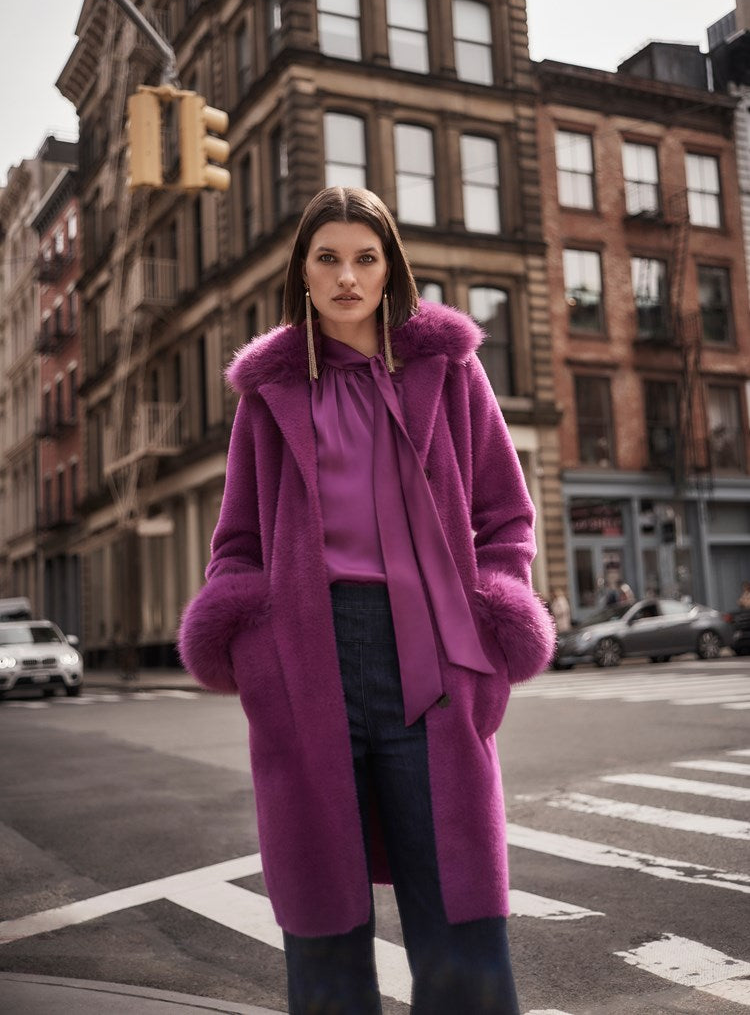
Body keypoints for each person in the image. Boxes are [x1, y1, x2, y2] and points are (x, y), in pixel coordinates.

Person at [178, 186, 555, 1014]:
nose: (347, 275)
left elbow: (506, 513)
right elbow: (236, 542)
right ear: (302, 276)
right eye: (328, 258)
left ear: (390, 270)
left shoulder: (448, 369)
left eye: (365, 257)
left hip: (436, 654)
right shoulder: (268, 392)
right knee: (323, 921)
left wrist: (493, 625)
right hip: (312, 657)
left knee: (458, 910)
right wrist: (254, 651)